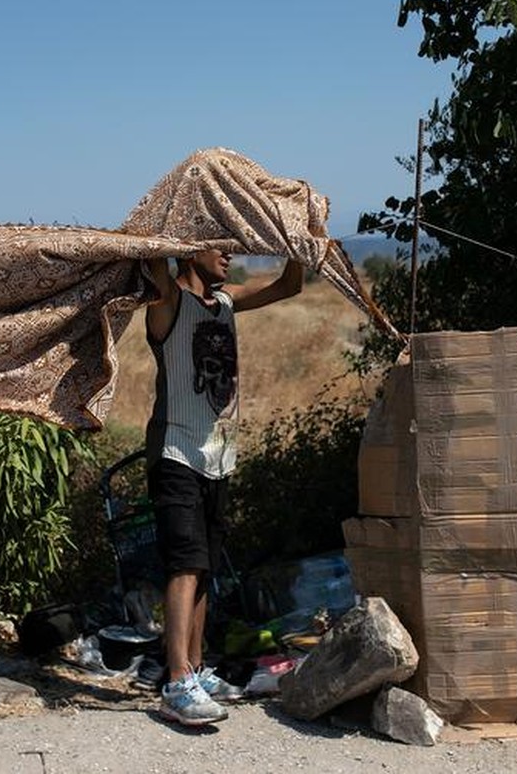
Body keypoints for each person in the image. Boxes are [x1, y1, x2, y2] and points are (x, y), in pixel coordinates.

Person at [144, 248, 304, 725]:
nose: (231, 253)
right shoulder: (168, 300)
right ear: (191, 249)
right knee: (185, 562)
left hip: (219, 456)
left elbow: (288, 286)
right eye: (219, 243)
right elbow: (155, 261)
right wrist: (172, 241)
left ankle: (196, 667)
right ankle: (176, 682)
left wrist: (294, 244)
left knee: (206, 567)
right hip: (177, 450)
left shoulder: (227, 302)